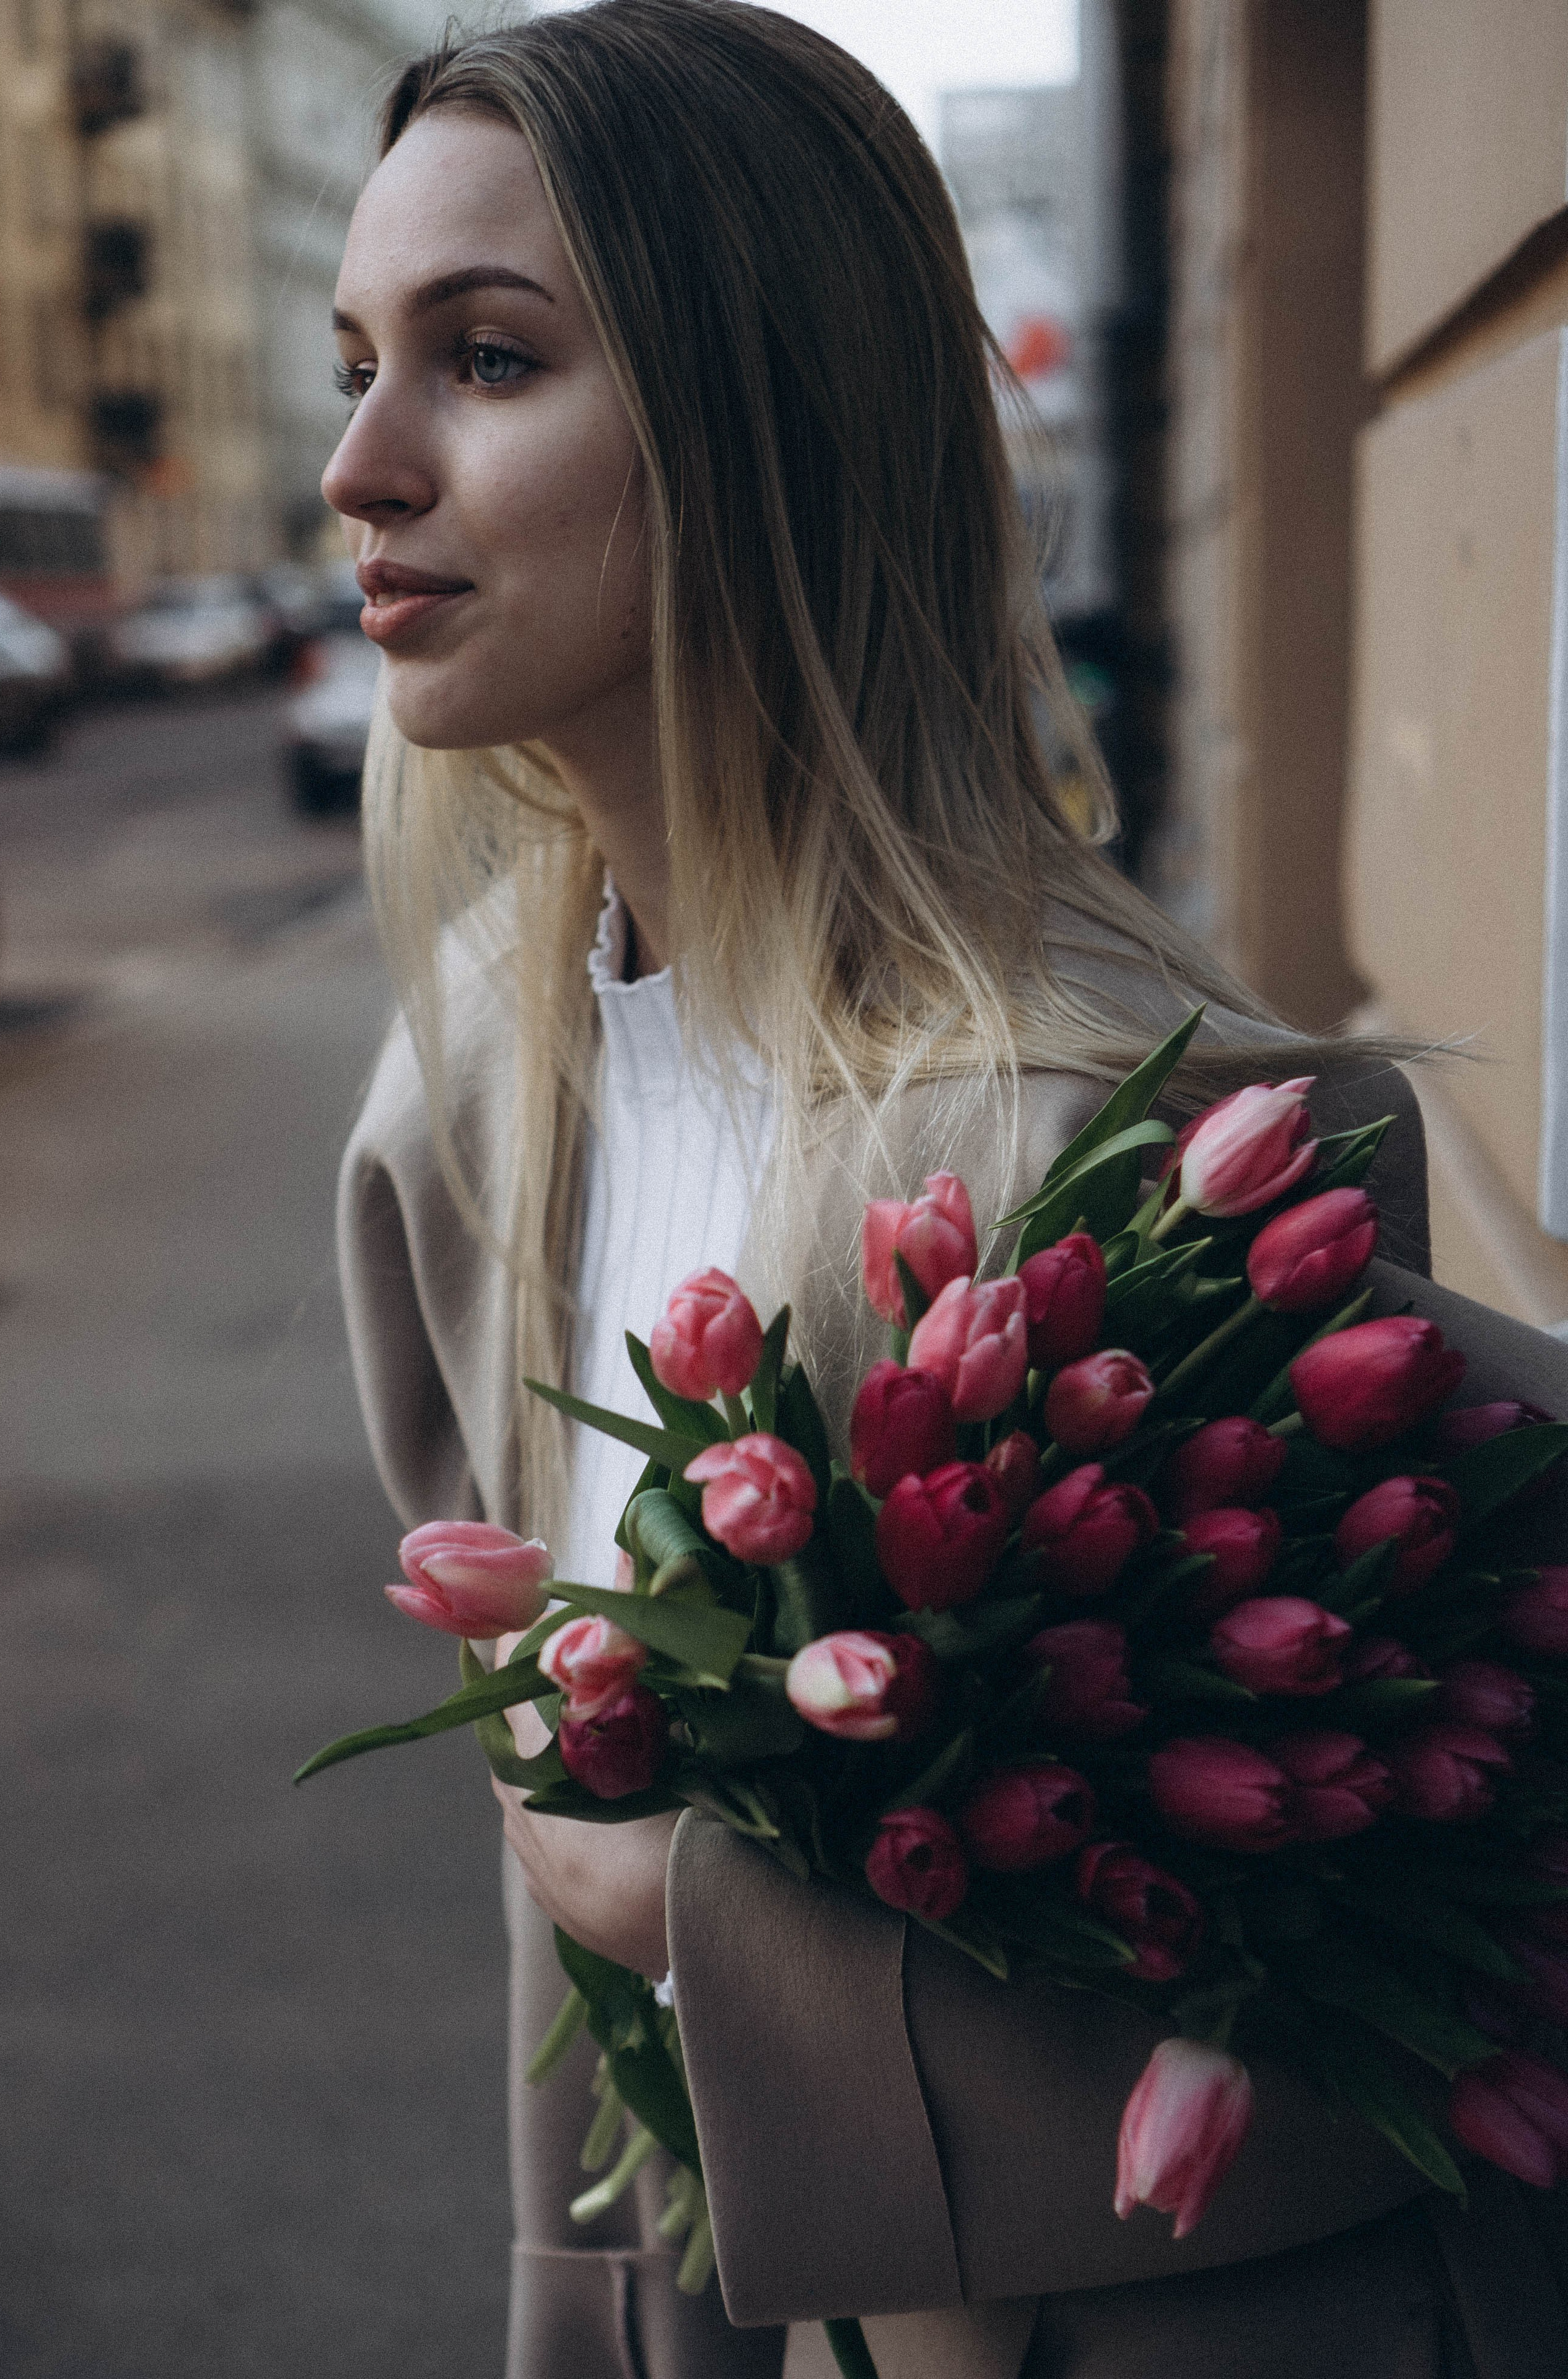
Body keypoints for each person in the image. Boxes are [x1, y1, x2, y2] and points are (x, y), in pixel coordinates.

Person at [323, 6, 1568, 2374]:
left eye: (484, 363)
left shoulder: (1131, 1155)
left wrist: (709, 1924)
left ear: (766, 422)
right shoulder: (476, 1076)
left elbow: (1370, 1995)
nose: (358, 466)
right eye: (356, 361)